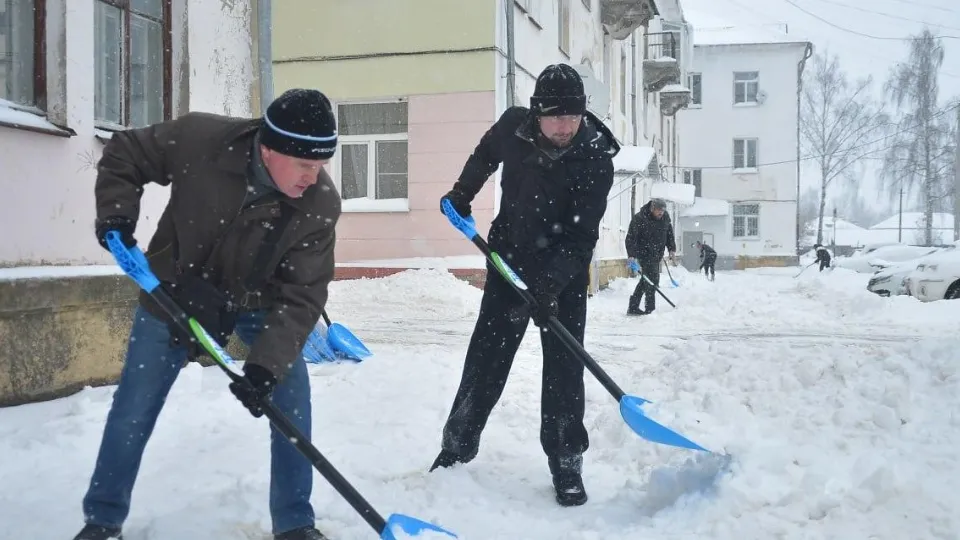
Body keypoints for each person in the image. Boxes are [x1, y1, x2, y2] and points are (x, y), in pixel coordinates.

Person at [73, 89, 341, 540]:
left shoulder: (319, 205)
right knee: (135, 405)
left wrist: (265, 367)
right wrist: (116, 216)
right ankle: (102, 520)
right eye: (304, 165)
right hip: (172, 291)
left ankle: (295, 522)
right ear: (268, 148)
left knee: (292, 401)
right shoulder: (201, 139)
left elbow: (303, 294)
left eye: (320, 166)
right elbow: (126, 152)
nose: (312, 178)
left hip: (259, 303)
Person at [431, 63, 619, 507]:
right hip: (509, 259)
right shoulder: (514, 128)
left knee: (564, 370)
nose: (565, 126)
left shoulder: (595, 158)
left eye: (573, 116)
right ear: (536, 113)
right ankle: (457, 446)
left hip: (564, 274)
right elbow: (484, 155)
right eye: (556, 117)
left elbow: (582, 238)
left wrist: (550, 287)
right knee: (486, 357)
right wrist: (462, 193)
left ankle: (566, 461)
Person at [624, 198, 676, 315]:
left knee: (646, 280)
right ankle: (650, 309)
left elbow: (669, 234)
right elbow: (631, 238)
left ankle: (633, 307)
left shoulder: (665, 217)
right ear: (652, 208)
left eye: (663, 210)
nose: (661, 213)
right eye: (659, 210)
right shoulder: (640, 218)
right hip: (644, 254)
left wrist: (672, 249)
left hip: (657, 254)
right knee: (653, 281)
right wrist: (631, 255)